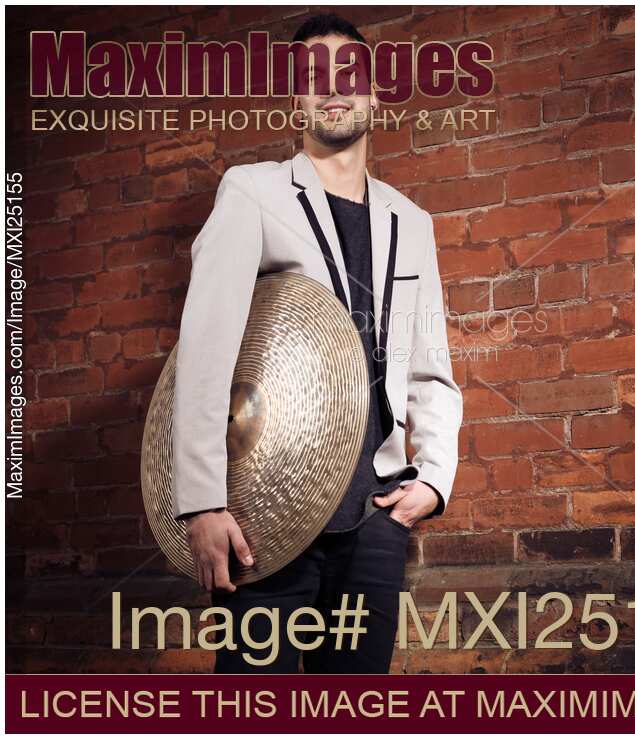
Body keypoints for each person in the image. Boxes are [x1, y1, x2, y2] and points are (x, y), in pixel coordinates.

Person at [169, 12, 462, 673]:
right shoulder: (252, 191)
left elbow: (431, 372)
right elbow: (206, 347)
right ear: (294, 99)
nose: (333, 87)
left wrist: (435, 480)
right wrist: (203, 501)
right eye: (313, 76)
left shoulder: (415, 224)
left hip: (376, 519)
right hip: (266, 520)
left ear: (375, 93)